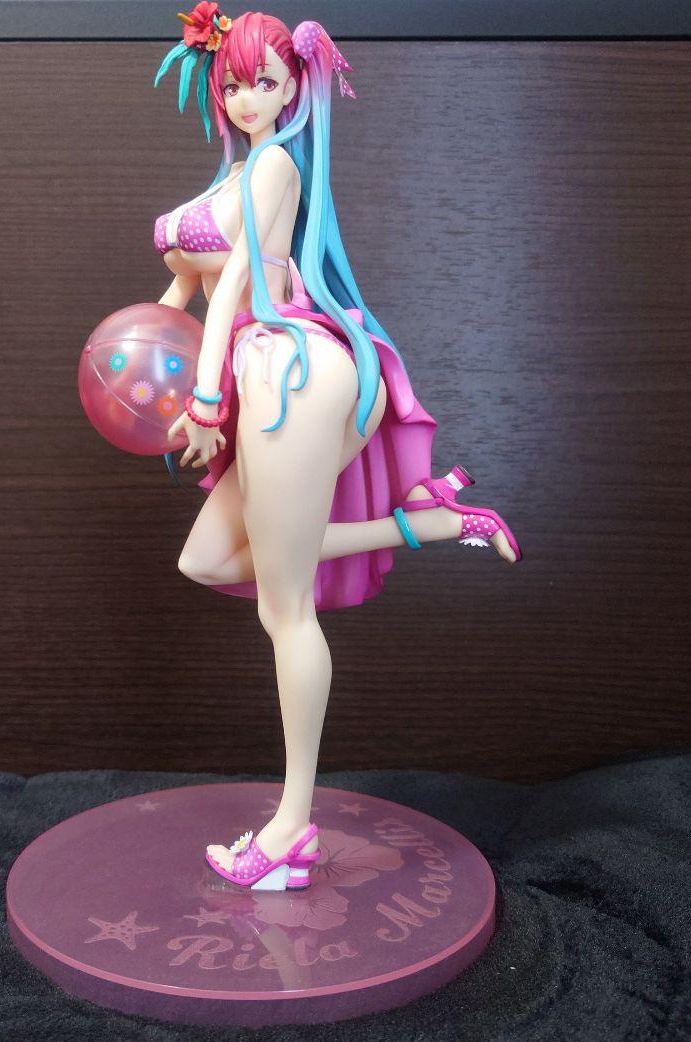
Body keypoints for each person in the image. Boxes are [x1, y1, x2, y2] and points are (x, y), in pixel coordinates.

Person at [152, 7, 522, 890]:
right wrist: (136, 364)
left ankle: (290, 829)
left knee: (285, 609)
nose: (248, 99)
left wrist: (204, 398)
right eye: (233, 84)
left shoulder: (277, 165)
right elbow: (184, 291)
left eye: (265, 83)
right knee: (209, 559)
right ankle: (432, 525)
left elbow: (236, 283)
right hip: (257, 373)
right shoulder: (232, 172)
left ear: (294, 89)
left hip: (281, 370)